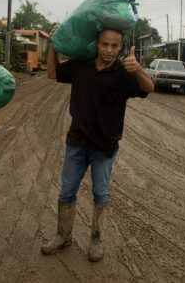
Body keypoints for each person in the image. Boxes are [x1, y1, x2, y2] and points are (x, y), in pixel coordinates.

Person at [41, 27, 154, 262]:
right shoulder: (80, 65)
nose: (109, 50)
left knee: (101, 193)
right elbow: (52, 73)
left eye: (114, 46)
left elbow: (148, 89)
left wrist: (139, 69)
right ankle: (63, 236)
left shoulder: (124, 72)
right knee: (66, 191)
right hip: (77, 141)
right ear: (97, 44)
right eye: (105, 44)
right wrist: (53, 44)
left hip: (104, 146)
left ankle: (96, 239)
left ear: (120, 47)